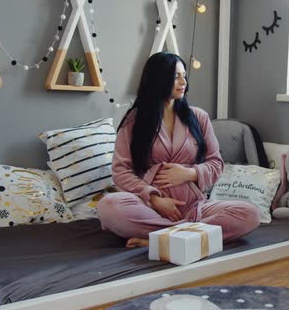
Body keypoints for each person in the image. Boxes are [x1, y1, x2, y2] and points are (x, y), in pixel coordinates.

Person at [97, 52, 261, 248]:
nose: (183, 81)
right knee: (109, 205)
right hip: (151, 208)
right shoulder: (135, 120)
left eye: (184, 75)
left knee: (250, 214)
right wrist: (155, 199)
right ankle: (186, 236)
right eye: (176, 76)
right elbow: (121, 170)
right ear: (158, 78)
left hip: (194, 207)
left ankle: (159, 239)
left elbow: (216, 164)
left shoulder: (199, 117)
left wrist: (189, 173)